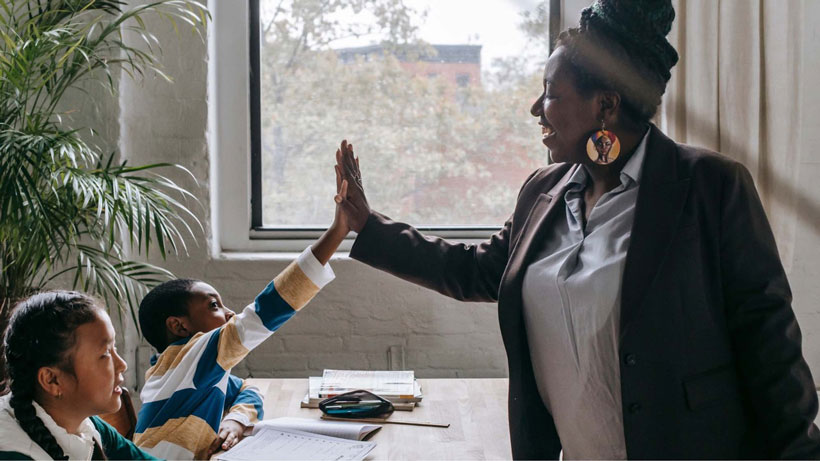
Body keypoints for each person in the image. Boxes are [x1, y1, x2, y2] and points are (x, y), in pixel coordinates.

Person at [332, 0, 820, 458]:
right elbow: (477, 271)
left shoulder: (710, 188)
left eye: (549, 93)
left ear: (604, 106)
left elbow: (771, 355)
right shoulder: (543, 191)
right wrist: (367, 225)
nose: (535, 110)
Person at [133, 172, 351, 460]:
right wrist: (337, 231)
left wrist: (235, 420)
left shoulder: (189, 369)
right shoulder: (193, 355)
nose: (228, 313)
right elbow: (268, 309)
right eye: (213, 305)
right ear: (179, 326)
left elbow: (249, 389)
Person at [0, 291, 157, 460]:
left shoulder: (85, 424)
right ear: (52, 380)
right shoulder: (13, 452)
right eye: (105, 354)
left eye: (115, 349)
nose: (122, 365)